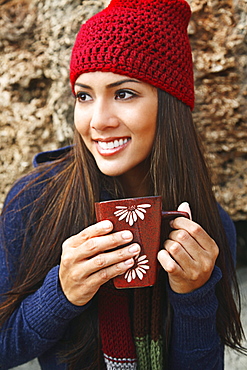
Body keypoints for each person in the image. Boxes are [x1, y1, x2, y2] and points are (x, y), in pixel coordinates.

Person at [0, 0, 245, 369]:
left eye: (124, 93)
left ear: (170, 104)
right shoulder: (33, 202)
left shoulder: (207, 228)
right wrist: (61, 294)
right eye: (84, 95)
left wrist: (194, 297)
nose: (98, 121)